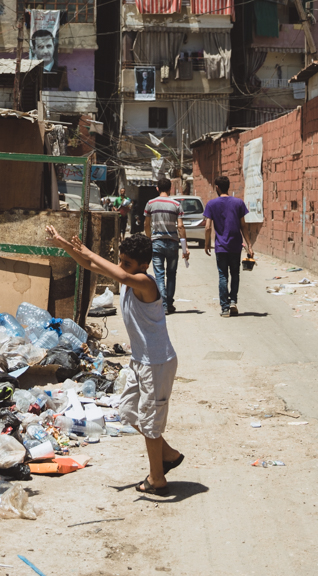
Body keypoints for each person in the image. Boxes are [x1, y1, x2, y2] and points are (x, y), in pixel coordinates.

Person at [45, 226, 183, 494]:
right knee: (130, 411)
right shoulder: (127, 276)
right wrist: (65, 245)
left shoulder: (145, 282)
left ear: (144, 265)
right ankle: (167, 454)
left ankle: (158, 478)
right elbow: (90, 264)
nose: (121, 267)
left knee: (150, 422)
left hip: (157, 363)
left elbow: (113, 271)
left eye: (128, 263)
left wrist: (87, 250)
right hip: (140, 361)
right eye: (120, 260)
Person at [203, 175, 255, 317]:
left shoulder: (211, 204)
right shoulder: (238, 203)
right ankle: (233, 302)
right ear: (229, 186)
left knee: (223, 275)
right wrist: (249, 245)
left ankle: (225, 308)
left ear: (217, 188)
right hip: (235, 246)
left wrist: (207, 244)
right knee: (235, 273)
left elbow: (207, 227)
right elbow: (244, 226)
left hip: (220, 247)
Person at [143, 177, 188, 314]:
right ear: (170, 189)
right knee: (172, 274)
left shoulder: (150, 203)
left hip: (156, 242)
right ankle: (169, 303)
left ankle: (163, 306)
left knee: (159, 275)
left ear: (157, 188)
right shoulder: (176, 205)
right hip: (173, 243)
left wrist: (148, 239)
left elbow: (146, 224)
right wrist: (185, 248)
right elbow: (180, 226)